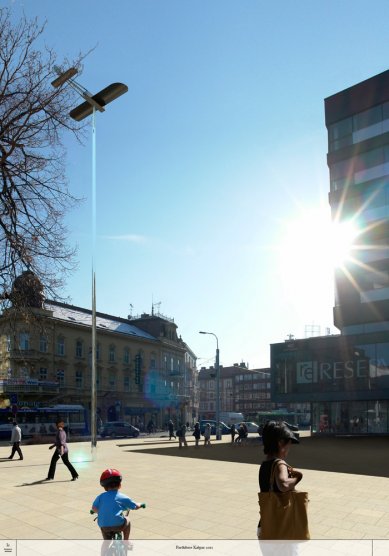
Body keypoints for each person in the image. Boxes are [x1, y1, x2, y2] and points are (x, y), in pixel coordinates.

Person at [258, 420, 302, 539]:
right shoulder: (280, 464)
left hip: (265, 524)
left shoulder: (264, 464)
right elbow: (283, 484)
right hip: (280, 527)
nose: (288, 450)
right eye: (288, 445)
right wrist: (298, 477)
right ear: (280, 443)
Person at [92, 468, 144, 540]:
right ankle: (126, 541)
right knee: (127, 520)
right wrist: (140, 504)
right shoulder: (123, 497)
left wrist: (100, 512)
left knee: (106, 541)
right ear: (120, 485)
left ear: (104, 487)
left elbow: (94, 508)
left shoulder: (100, 496)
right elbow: (135, 506)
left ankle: (105, 548)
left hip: (104, 525)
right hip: (118, 524)